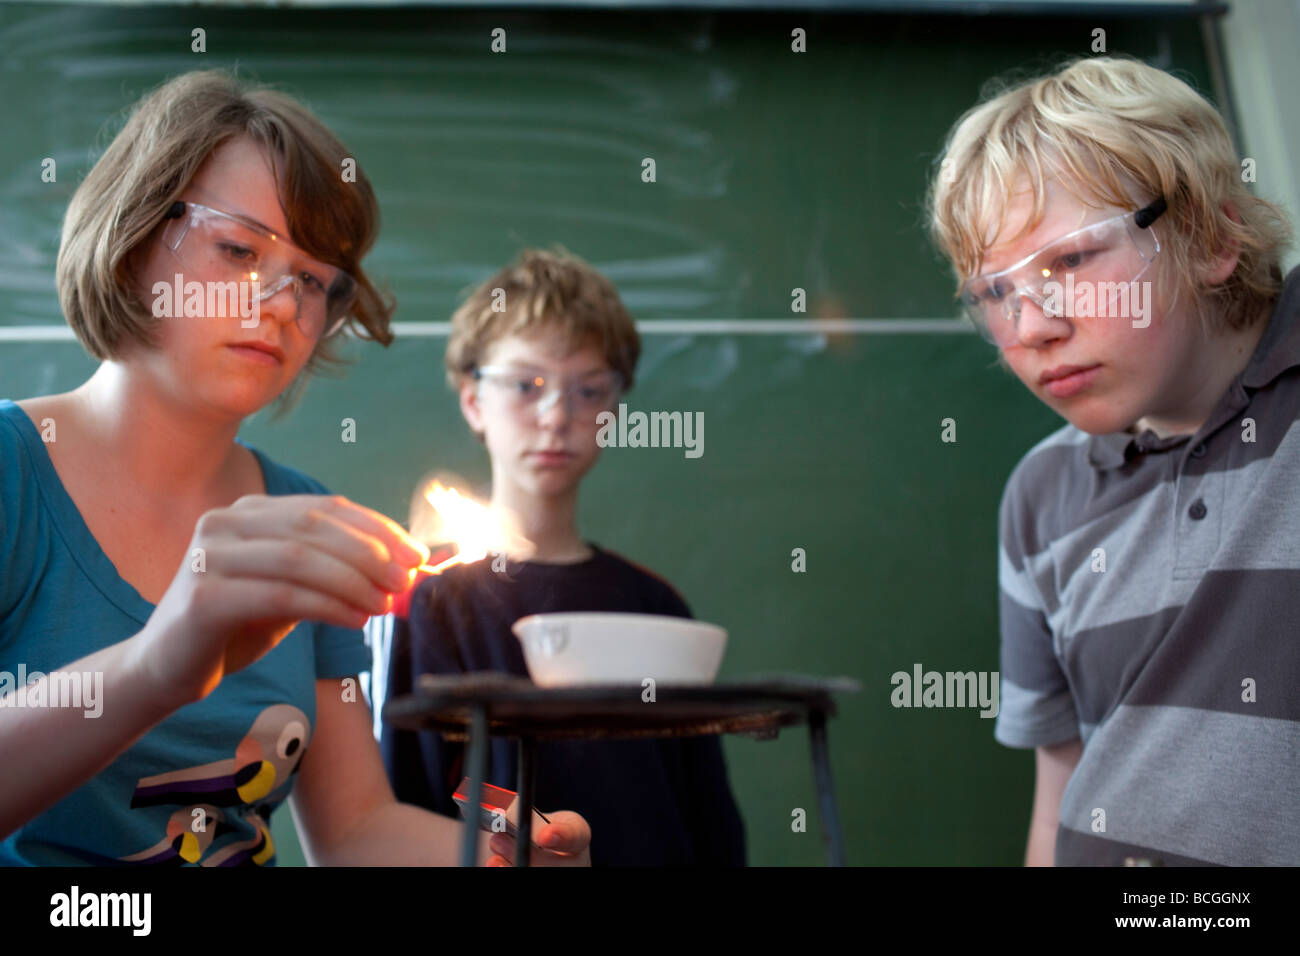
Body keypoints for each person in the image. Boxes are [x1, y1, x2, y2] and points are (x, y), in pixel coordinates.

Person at [0, 69, 590, 866]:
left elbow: (353, 833)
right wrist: (157, 666)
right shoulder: (13, 475)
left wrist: (500, 858)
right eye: (240, 249)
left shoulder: (301, 517)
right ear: (135, 238)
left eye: (314, 282)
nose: (281, 303)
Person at [926, 56, 1298, 866]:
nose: (1031, 327)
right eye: (994, 294)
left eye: (1068, 261)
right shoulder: (1042, 496)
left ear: (1213, 235)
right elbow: (1058, 786)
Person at [373, 248, 747, 866]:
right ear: (473, 400)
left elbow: (707, 819)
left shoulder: (657, 611)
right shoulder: (420, 596)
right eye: (526, 385)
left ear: (613, 409)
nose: (556, 417)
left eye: (588, 390)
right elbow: (396, 803)